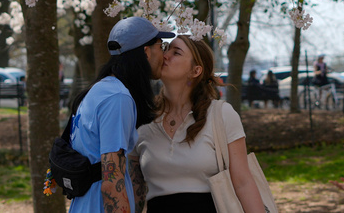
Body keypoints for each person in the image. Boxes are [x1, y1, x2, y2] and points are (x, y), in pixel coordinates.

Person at [135, 35, 266, 213]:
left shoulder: (221, 114)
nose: (165, 55)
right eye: (166, 49)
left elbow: (243, 183)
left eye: (176, 52)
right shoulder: (142, 118)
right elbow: (134, 189)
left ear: (195, 71)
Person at [69, 16, 172, 213]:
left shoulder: (101, 89)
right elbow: (111, 181)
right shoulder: (118, 98)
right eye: (161, 46)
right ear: (146, 52)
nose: (164, 54)